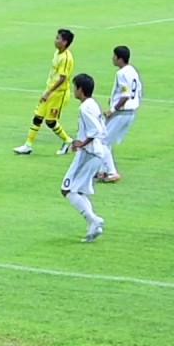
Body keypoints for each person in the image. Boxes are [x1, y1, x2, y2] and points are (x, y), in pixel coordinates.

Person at [13, 29, 76, 155]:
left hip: (59, 94)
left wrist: (49, 92)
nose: (55, 40)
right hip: (50, 90)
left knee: (50, 121)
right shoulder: (57, 53)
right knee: (37, 117)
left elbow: (62, 79)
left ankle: (68, 140)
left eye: (58, 38)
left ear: (64, 42)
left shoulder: (66, 58)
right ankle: (28, 145)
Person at [63, 73, 107, 243]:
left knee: (67, 189)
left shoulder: (84, 108)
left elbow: (95, 131)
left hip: (89, 153)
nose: (74, 90)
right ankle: (92, 224)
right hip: (96, 152)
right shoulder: (93, 103)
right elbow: (102, 128)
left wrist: (81, 144)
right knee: (79, 190)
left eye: (75, 87)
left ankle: (93, 219)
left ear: (80, 90)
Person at [97, 45, 142, 183]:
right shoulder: (132, 70)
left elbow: (125, 95)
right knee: (106, 139)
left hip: (122, 112)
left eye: (114, 56)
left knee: (102, 141)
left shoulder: (121, 73)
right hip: (131, 111)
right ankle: (102, 171)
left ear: (119, 58)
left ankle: (112, 172)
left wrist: (113, 109)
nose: (112, 58)